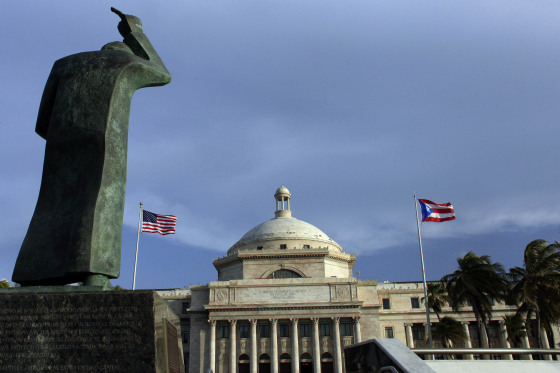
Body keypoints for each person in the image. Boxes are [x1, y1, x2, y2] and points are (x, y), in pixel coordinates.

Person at [12, 8, 171, 287]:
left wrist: (63, 137)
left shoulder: (64, 64)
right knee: (101, 198)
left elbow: (41, 121)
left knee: (52, 201)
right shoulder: (125, 63)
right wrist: (135, 32)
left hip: (60, 140)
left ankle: (37, 273)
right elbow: (162, 73)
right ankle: (95, 274)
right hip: (106, 138)